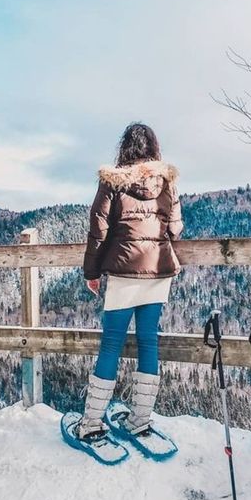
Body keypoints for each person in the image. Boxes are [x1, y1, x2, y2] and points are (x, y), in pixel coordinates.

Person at [70, 122, 182, 446]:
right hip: (159, 271)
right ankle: (139, 422)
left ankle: (91, 423)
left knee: (111, 345)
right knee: (148, 343)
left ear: (125, 148)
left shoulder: (112, 183)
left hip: (123, 272)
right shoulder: (167, 184)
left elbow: (98, 230)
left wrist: (91, 272)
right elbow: (175, 229)